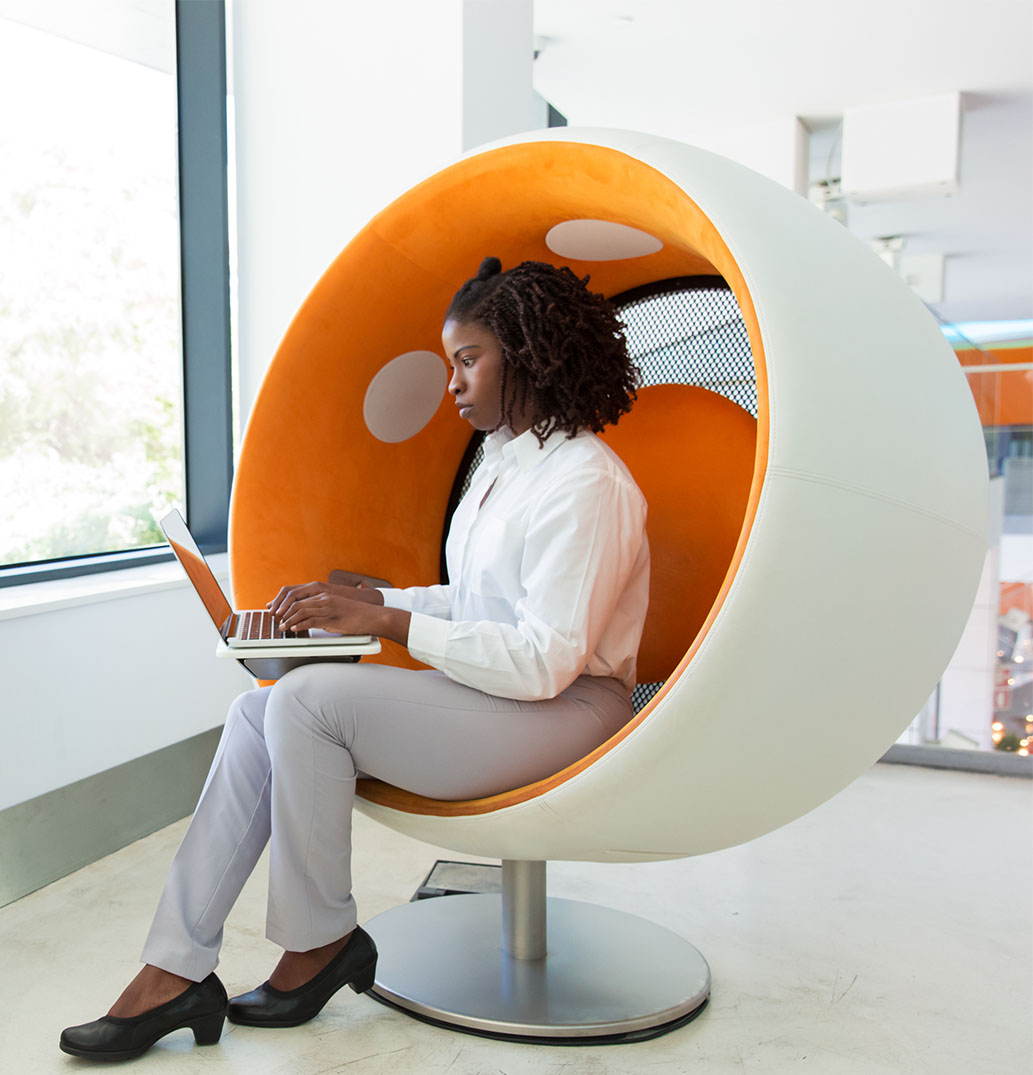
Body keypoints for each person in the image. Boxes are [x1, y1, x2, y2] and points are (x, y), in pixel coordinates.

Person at [59, 257, 651, 1060]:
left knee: (307, 701)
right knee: (256, 709)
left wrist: (386, 621)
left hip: (570, 707)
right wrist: (366, 602)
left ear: (526, 354)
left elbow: (545, 658)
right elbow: (478, 601)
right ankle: (174, 968)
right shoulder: (504, 466)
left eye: (467, 359)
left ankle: (320, 942)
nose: (452, 382)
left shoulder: (588, 483)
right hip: (510, 698)